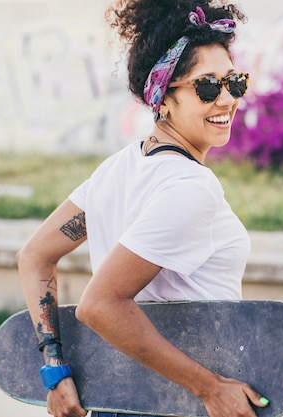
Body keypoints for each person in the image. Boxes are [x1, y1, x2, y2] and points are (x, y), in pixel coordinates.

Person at [16, 1, 269, 417]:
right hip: (182, 404)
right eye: (207, 86)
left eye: (235, 82)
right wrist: (210, 389)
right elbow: (100, 304)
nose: (227, 99)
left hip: (122, 400)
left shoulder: (115, 170)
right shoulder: (190, 185)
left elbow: (34, 257)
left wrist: (55, 371)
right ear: (162, 97)